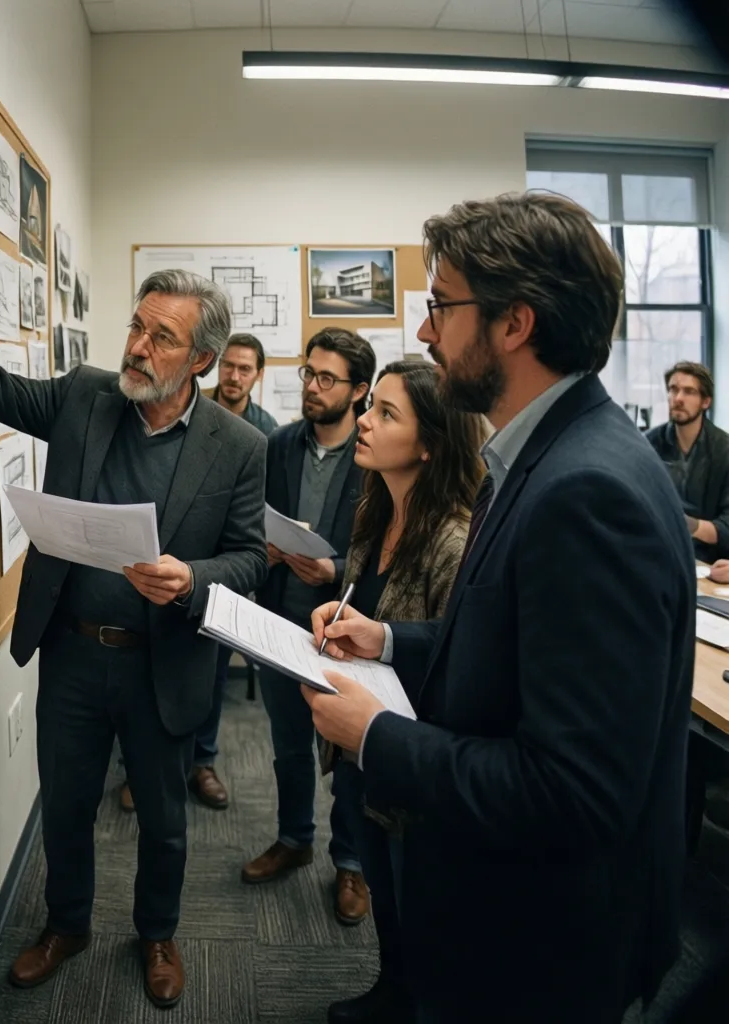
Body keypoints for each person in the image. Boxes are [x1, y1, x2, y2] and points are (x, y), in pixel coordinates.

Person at [307, 192, 695, 1023]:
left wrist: (375, 734)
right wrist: (389, 639)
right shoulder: (542, 457)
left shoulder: (586, 492)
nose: (425, 332)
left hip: (541, 946)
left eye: (442, 306)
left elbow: (572, 793)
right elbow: (510, 646)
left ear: (514, 324)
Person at [0, 241, 268, 1010]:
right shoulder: (87, 396)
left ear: (202, 361)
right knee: (68, 804)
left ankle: (158, 934)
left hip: (163, 663)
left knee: (164, 820)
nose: (138, 347)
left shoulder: (240, 448)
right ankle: (66, 924)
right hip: (73, 653)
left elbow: (249, 559)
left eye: (162, 338)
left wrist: (191, 578)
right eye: (138, 326)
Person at [324, 361, 485, 1024]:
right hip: (365, 747)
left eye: (386, 413)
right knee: (384, 896)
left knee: (421, 907)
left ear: (429, 444)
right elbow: (369, 613)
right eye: (371, 407)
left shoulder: (455, 538)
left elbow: (460, 654)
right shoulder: (376, 511)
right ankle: (391, 992)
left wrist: (380, 637)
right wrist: (338, 619)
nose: (363, 421)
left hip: (413, 759)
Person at [241, 328, 376, 927]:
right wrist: (263, 549)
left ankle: (350, 862)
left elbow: (385, 547)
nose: (313, 388)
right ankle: (294, 838)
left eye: (327, 378)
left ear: (359, 390)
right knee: (289, 743)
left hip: (348, 628)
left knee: (351, 752)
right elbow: (253, 519)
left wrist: (334, 569)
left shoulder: (373, 452)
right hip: (282, 617)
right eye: (308, 374)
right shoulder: (278, 444)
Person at [119, 333, 277, 814]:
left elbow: (255, 522)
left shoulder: (263, 433)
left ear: (258, 376)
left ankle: (202, 762)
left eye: (245, 369)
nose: (234, 375)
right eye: (229, 366)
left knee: (210, 675)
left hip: (221, 578)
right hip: (167, 574)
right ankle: (140, 768)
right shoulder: (186, 412)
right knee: (152, 677)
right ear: (213, 366)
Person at [646, 361, 729, 563]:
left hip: (709, 561)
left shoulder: (724, 450)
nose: (678, 398)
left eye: (689, 391)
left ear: (705, 402)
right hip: (658, 553)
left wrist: (690, 525)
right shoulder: (648, 444)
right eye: (673, 389)